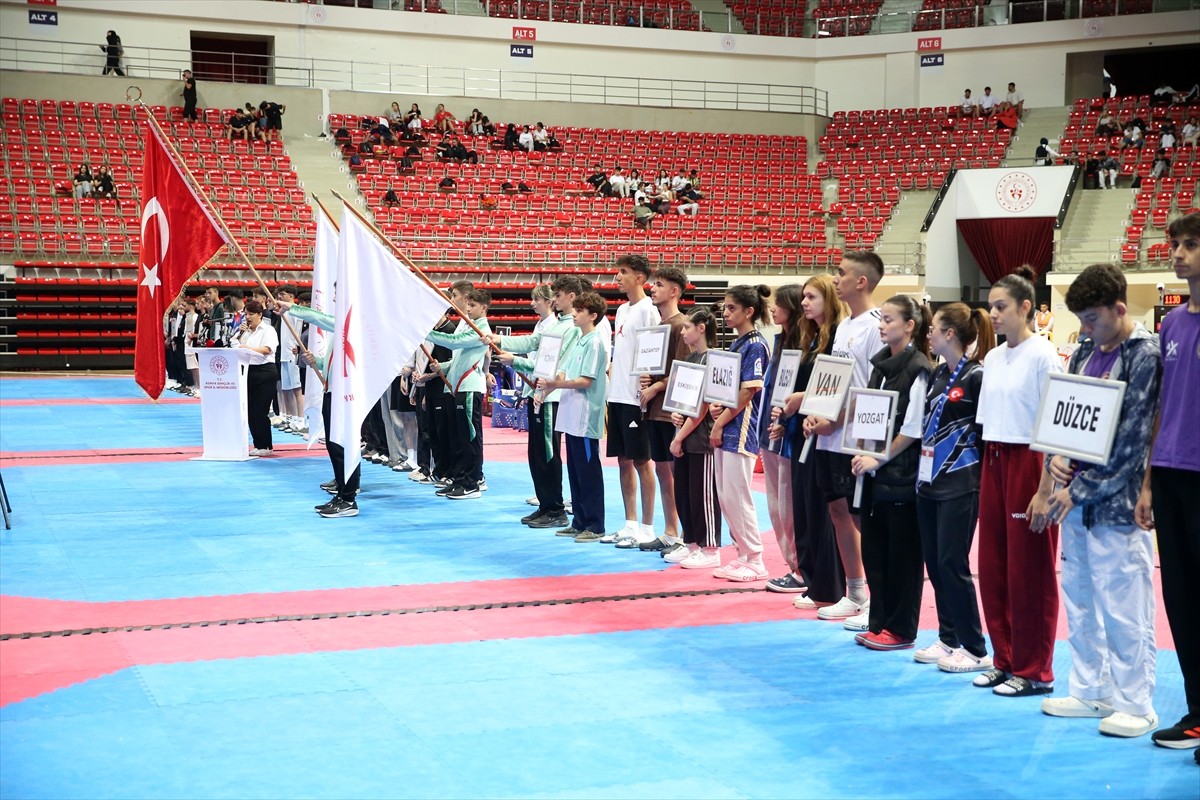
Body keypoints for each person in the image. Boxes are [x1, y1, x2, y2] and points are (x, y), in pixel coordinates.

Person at [1034, 264, 1162, 738]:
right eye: (1081, 320)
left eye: (1093, 319)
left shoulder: (1144, 355)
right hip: (1074, 502)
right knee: (1081, 598)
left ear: (1119, 309)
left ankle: (1137, 702)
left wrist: (1078, 488)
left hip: (1117, 505)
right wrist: (1056, 465)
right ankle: (1091, 689)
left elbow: (1134, 441)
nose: (1085, 329)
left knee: (1124, 604)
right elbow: (1064, 418)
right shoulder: (1085, 351)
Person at [974, 265, 1063, 698]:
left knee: (1030, 568)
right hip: (993, 457)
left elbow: (1054, 426)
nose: (993, 314)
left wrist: (1045, 487)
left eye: (1002, 306)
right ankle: (1004, 658)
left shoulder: (1044, 355)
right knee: (993, 566)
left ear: (1026, 308)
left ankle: (1034, 669)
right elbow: (987, 422)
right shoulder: (992, 357)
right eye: (990, 306)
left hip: (1030, 460)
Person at [1136, 212, 1200, 760]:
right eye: (1175, 245)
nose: (1177, 253)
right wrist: (1149, 483)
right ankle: (1199, 712)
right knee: (1180, 599)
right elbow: (1160, 408)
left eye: (1190, 245)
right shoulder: (1173, 324)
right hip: (1173, 473)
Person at [802, 251, 882, 627]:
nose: (836, 279)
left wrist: (835, 420)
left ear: (861, 281)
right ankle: (855, 592)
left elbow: (874, 389)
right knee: (837, 512)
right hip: (829, 435)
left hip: (856, 438)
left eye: (841, 273)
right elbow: (832, 380)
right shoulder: (845, 326)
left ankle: (880, 598)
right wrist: (817, 413)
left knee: (861, 516)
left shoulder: (874, 326)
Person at [913, 303, 994, 672]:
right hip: (929, 480)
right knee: (935, 562)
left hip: (962, 481)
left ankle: (975, 647)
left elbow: (985, 434)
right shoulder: (936, 374)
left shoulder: (976, 376)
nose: (928, 334)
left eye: (934, 329)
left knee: (952, 561)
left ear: (950, 334)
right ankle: (948, 638)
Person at [850, 296, 933, 651]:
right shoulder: (879, 365)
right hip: (873, 473)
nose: (882, 326)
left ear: (910, 325)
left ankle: (901, 628)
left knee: (902, 556)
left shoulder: (918, 368)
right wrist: (861, 450)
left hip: (901, 476)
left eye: (889, 320)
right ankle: (878, 621)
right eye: (881, 320)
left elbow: (912, 428)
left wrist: (878, 459)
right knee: (875, 551)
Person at [778, 274, 848, 610]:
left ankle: (829, 587)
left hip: (825, 430)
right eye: (803, 297)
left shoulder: (838, 337)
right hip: (801, 428)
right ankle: (812, 579)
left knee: (823, 511)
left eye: (811, 297)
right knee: (804, 507)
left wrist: (802, 399)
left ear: (829, 300)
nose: (804, 303)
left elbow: (838, 384)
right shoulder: (809, 338)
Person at [491, 277, 582, 530]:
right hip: (538, 393)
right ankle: (546, 504)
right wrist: (499, 341)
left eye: (559, 294)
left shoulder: (571, 328)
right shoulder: (555, 326)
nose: (555, 298)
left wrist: (516, 362)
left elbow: (551, 364)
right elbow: (532, 344)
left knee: (547, 453)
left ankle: (555, 508)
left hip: (550, 395)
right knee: (537, 454)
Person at [707, 285, 771, 581]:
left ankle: (755, 557)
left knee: (739, 493)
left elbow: (749, 391)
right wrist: (717, 406)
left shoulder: (756, 345)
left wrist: (720, 422)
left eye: (732, 308)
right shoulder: (736, 344)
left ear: (749, 311)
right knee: (726, 494)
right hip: (729, 422)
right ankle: (742, 554)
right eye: (725, 308)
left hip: (742, 427)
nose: (726, 313)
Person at [598, 255, 661, 547]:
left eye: (623, 272)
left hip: (637, 397)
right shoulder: (621, 310)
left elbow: (654, 353)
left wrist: (648, 389)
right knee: (623, 460)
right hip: (617, 393)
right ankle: (630, 524)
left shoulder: (649, 310)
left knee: (642, 461)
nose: (617, 277)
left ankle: (647, 528)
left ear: (639, 278)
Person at [542, 292, 609, 543]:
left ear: (592, 316)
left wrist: (558, 385)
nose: (575, 314)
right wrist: (548, 385)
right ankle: (579, 520)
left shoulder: (594, 342)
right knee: (575, 471)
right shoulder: (579, 341)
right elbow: (563, 374)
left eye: (580, 311)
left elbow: (585, 380)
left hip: (585, 415)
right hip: (571, 414)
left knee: (589, 472)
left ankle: (595, 523)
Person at [635, 266, 691, 554]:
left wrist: (656, 387)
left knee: (675, 473)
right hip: (653, 409)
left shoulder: (682, 326)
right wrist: (648, 380)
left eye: (659, 285)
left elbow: (684, 371)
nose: (652, 289)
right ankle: (670, 531)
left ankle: (684, 534)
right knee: (662, 472)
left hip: (671, 411)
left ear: (674, 291)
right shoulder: (656, 328)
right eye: (653, 285)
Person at [760, 284, 807, 592]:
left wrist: (786, 422)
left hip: (788, 434)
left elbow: (800, 393)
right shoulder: (778, 341)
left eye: (779, 304)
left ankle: (802, 569)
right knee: (775, 508)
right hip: (769, 429)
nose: (773, 309)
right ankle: (792, 565)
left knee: (789, 508)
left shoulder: (805, 346)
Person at [668, 306, 722, 567]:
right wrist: (677, 416)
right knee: (684, 493)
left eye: (688, 326)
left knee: (703, 494)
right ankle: (690, 542)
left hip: (701, 438)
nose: (683, 330)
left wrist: (680, 436)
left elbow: (702, 407)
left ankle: (710, 547)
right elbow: (684, 402)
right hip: (686, 433)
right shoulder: (689, 361)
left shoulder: (714, 359)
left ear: (702, 328)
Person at [425, 288, 492, 499]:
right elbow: (457, 358)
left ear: (484, 308)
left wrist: (422, 331)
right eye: (468, 305)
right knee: (458, 438)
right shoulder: (469, 325)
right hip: (458, 387)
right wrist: (442, 367)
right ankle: (460, 478)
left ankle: (472, 482)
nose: (469, 309)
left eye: (473, 306)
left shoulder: (480, 329)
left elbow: (453, 343)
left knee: (469, 438)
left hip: (469, 387)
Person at [232, 300, 279, 457]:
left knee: (260, 410)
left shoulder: (268, 330)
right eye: (246, 314)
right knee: (250, 411)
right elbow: (233, 345)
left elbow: (267, 349)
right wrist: (240, 333)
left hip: (265, 372)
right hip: (248, 371)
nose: (248, 317)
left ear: (260, 314)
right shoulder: (246, 331)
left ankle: (266, 445)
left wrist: (248, 348)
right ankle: (257, 444)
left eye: (251, 314)